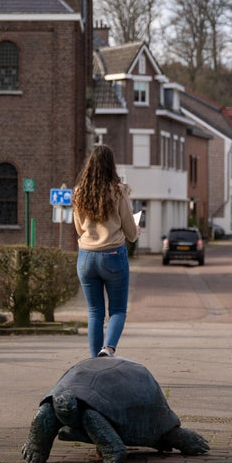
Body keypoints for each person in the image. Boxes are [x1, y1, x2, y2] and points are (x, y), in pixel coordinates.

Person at [72, 145, 140, 358]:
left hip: (86, 257)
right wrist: (137, 229)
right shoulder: (118, 191)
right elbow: (130, 232)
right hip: (112, 256)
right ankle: (108, 348)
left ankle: (94, 361)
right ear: (111, 165)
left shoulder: (79, 192)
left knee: (94, 313)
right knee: (118, 310)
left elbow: (79, 228)